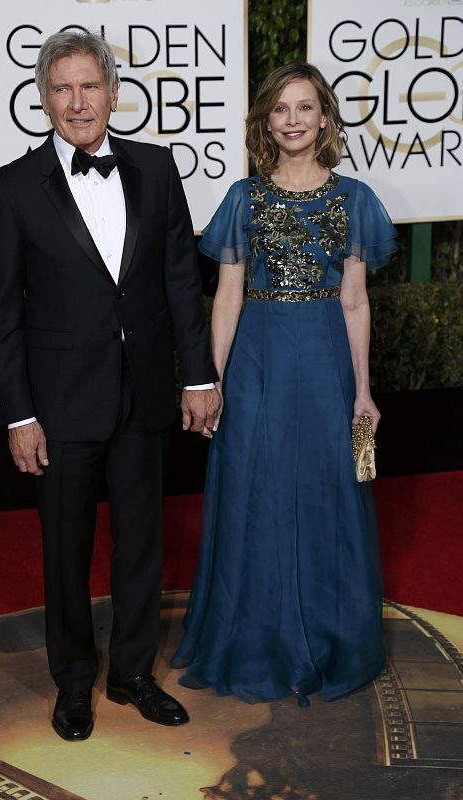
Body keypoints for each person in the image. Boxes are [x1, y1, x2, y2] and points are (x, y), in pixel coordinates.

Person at [0, 31, 220, 740]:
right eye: (62, 89)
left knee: (143, 540)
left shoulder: (155, 165)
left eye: (89, 87)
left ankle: (134, 673)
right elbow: (2, 312)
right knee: (65, 546)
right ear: (43, 99)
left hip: (145, 391)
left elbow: (182, 279)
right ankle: (74, 684)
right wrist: (18, 415)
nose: (77, 102)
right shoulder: (13, 186)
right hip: (58, 404)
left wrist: (200, 373)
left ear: (114, 94)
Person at [171, 62, 398, 705]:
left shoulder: (354, 199)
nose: (293, 120)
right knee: (255, 489)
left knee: (329, 490)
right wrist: (209, 380)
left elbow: (355, 302)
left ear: (324, 116)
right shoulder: (246, 197)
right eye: (280, 109)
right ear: (265, 121)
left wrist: (363, 392)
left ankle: (329, 639)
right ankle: (257, 639)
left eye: (305, 107)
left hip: (327, 362)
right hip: (259, 361)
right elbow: (227, 295)